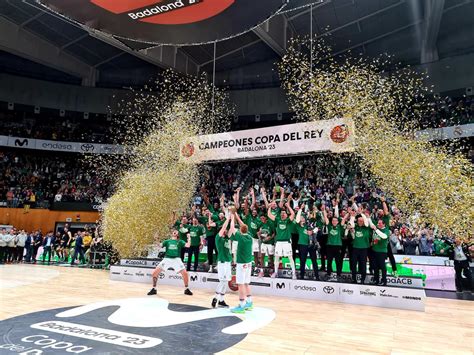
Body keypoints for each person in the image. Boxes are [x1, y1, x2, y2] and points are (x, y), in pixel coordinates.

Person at [148, 229, 193, 296]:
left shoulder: (180, 241)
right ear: (172, 233)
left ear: (177, 234)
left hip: (177, 259)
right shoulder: (167, 241)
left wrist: (189, 238)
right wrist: (156, 238)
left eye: (176, 231)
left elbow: (188, 245)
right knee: (154, 273)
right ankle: (154, 289)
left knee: (185, 274)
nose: (175, 232)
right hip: (167, 258)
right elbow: (159, 245)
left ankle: (186, 289)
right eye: (173, 231)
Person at [228, 212, 253, 314]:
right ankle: (249, 303)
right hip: (248, 264)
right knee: (246, 283)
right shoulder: (250, 236)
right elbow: (243, 226)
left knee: (241, 284)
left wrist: (232, 218)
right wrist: (238, 216)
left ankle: (242, 305)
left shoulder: (240, 237)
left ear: (241, 230)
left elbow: (232, 228)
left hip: (241, 264)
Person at [267, 196, 297, 279]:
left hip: (287, 242)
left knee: (290, 258)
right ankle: (275, 272)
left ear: (286, 215)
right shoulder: (277, 220)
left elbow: (293, 214)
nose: (282, 214)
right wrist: (269, 206)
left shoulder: (288, 221)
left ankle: (293, 273)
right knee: (276, 257)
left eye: (284, 213)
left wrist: (288, 206)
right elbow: (269, 214)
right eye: (281, 213)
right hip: (279, 242)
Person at [323, 200, 348, 281]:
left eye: (335, 221)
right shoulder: (329, 226)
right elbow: (326, 218)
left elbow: (344, 219)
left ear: (338, 222)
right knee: (329, 261)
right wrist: (323, 210)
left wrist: (348, 213)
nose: (334, 222)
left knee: (338, 261)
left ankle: (339, 275)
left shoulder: (340, 227)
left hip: (338, 246)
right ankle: (328, 274)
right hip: (329, 245)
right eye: (333, 221)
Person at [295, 204, 320, 280]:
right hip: (302, 245)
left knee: (314, 261)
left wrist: (312, 231)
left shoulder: (308, 225)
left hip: (311, 244)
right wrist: (300, 210)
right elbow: (297, 220)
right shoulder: (298, 226)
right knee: (302, 261)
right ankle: (302, 276)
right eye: (301, 218)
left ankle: (317, 276)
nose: (302, 219)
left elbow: (318, 228)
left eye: (303, 218)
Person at [213, 214, 232, 308]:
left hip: (228, 262)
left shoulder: (227, 238)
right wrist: (228, 218)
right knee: (222, 281)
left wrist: (233, 217)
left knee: (225, 282)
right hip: (222, 262)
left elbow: (231, 229)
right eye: (224, 230)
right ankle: (215, 297)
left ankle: (221, 300)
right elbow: (224, 226)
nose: (226, 230)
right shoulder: (218, 238)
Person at [349, 207, 371, 284]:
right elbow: (350, 225)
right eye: (359, 221)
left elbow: (366, 221)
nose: (360, 222)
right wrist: (352, 216)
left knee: (363, 265)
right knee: (354, 265)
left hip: (364, 249)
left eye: (361, 221)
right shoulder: (356, 227)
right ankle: (354, 279)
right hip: (355, 248)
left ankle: (362, 280)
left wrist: (361, 213)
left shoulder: (366, 228)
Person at [370, 219, 390, 286]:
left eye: (380, 223)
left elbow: (384, 236)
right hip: (374, 250)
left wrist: (376, 229)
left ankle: (384, 280)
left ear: (384, 224)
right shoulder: (376, 229)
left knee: (382, 267)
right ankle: (376, 280)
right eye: (378, 223)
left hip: (382, 251)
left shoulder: (386, 230)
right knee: (375, 267)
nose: (378, 224)